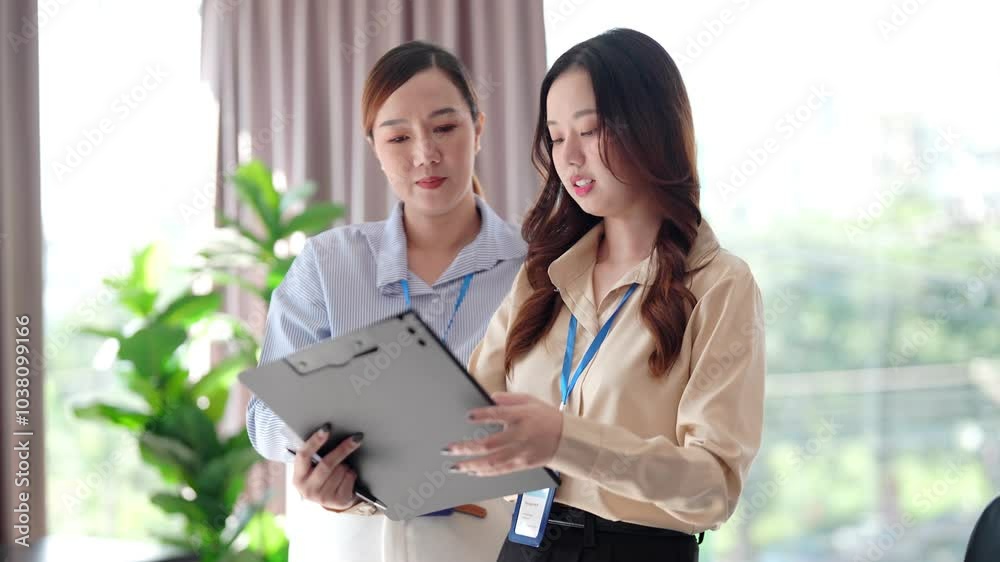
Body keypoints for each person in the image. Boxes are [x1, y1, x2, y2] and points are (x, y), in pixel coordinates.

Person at [443, 28, 767, 561]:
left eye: (589, 131)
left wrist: (563, 439)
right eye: (555, 135)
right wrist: (350, 477)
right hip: (524, 546)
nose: (569, 158)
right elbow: (465, 423)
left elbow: (713, 488)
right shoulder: (541, 275)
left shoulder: (719, 285)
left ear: (650, 129)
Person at [246, 41, 526, 562]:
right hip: (346, 541)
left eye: (445, 128)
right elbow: (264, 418)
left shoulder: (533, 273)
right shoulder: (328, 264)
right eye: (398, 136)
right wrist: (314, 452)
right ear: (374, 145)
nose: (425, 154)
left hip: (482, 546)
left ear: (479, 128)